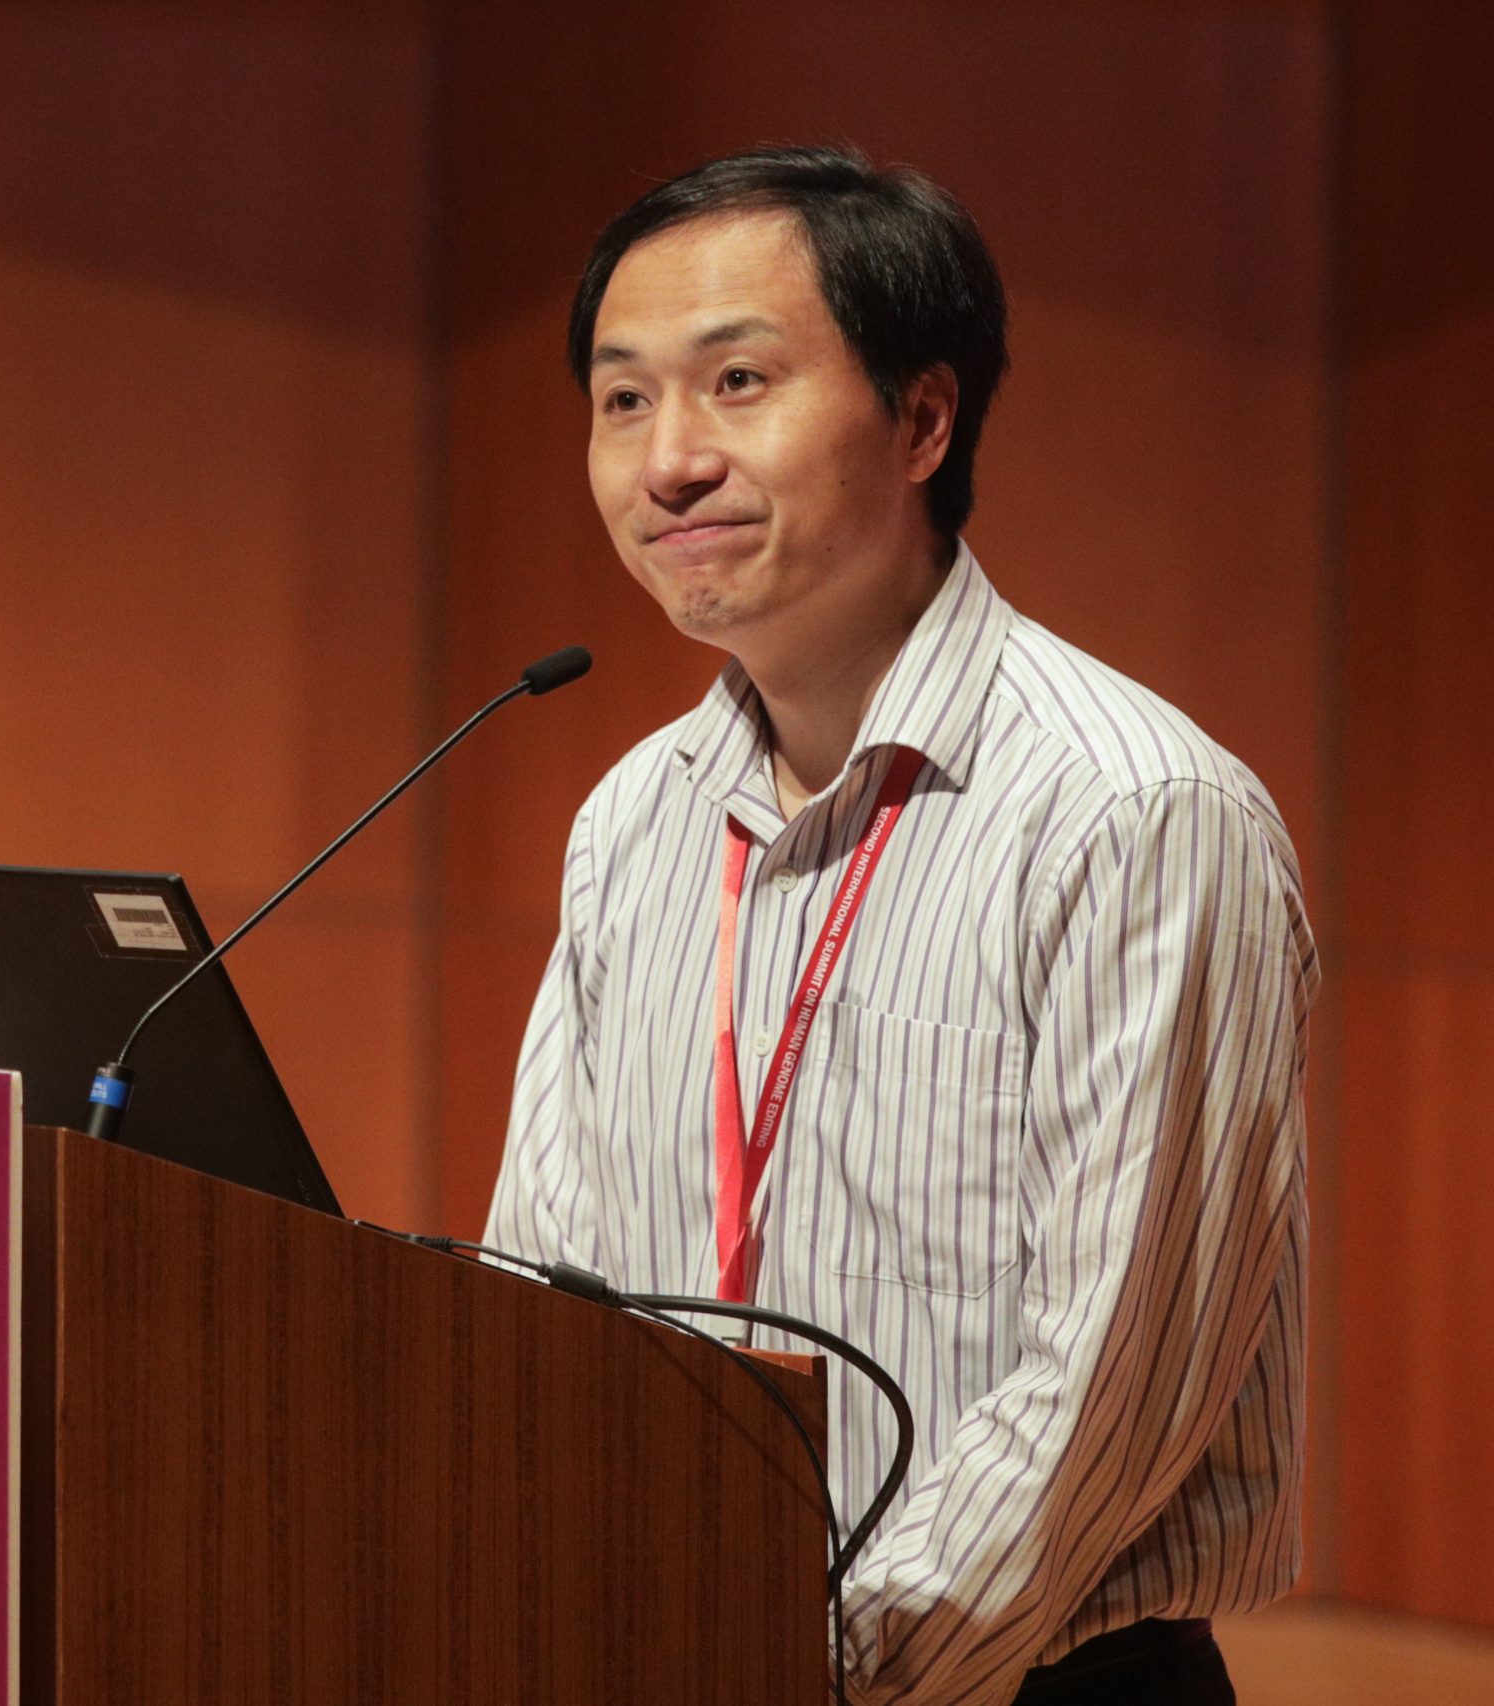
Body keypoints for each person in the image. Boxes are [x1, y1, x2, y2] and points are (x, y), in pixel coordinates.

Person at [483, 146, 1313, 1706]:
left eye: (738, 381)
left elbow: (1111, 1394)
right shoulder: (633, 819)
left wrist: (810, 1657)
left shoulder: (1132, 813)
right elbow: (548, 1288)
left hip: (1018, 1679)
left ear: (923, 418)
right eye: (622, 399)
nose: (668, 461)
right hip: (683, 1653)